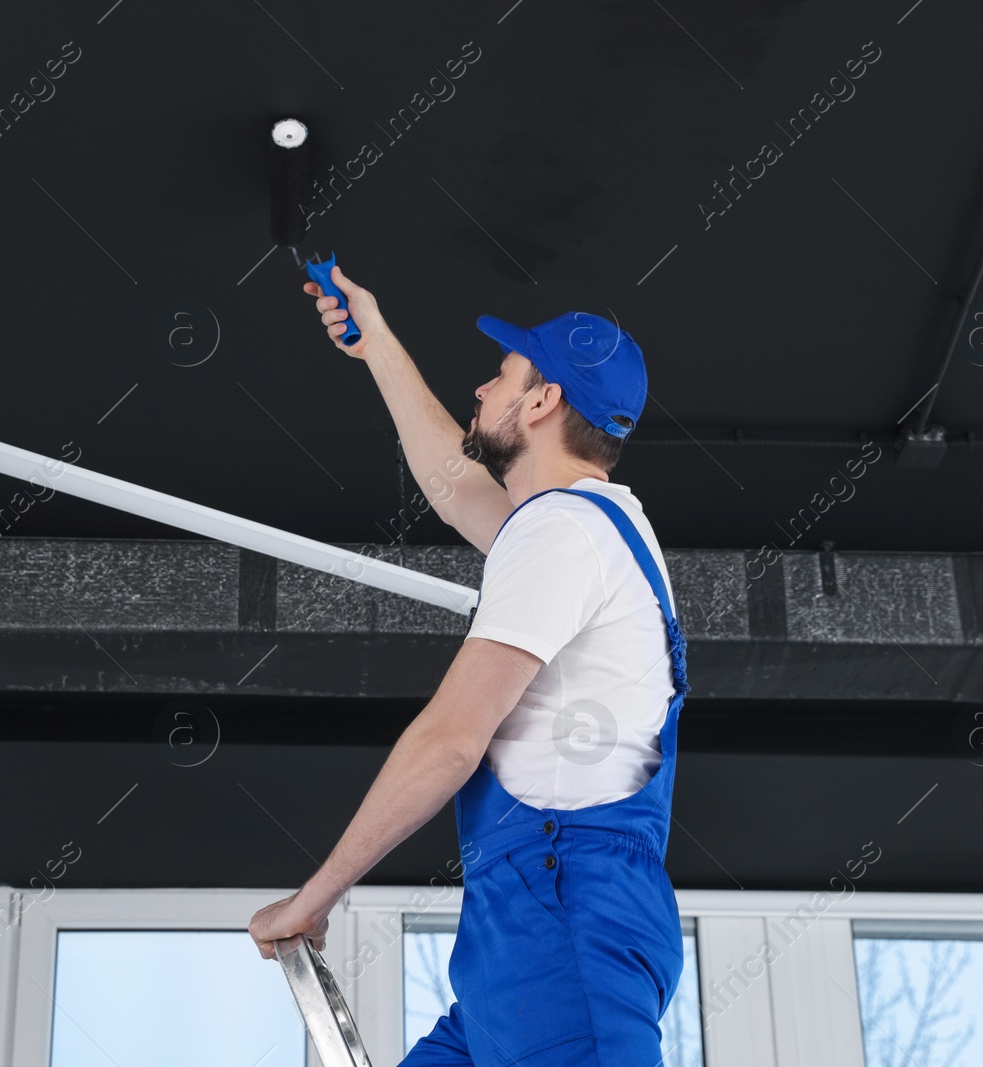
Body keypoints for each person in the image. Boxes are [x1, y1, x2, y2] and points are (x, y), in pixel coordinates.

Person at [248, 264, 690, 1066]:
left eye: (502, 375)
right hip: (523, 933)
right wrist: (377, 344)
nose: (482, 388)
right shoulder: (579, 527)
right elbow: (457, 489)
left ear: (543, 400)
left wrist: (316, 898)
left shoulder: (565, 531)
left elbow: (451, 739)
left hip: (565, 919)